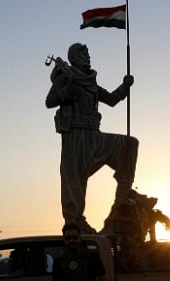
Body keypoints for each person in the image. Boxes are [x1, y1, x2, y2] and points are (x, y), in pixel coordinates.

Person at [45, 42, 138, 234]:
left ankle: (121, 203)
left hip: (95, 137)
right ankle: (75, 221)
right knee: (74, 182)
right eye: (83, 53)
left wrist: (125, 85)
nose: (87, 56)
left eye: (88, 53)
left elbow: (111, 100)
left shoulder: (91, 82)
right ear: (74, 57)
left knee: (129, 145)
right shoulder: (65, 77)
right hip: (75, 138)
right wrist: (67, 90)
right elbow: (50, 101)